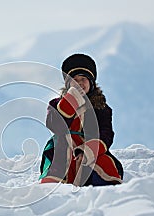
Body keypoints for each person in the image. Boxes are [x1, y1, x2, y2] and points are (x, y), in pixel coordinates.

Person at [39, 53, 123, 186]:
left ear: (91, 82)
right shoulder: (56, 104)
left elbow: (106, 134)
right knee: (57, 171)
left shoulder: (101, 108)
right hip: (62, 147)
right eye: (74, 79)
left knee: (102, 167)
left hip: (91, 148)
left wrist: (86, 150)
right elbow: (54, 125)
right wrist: (70, 101)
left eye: (83, 78)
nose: (79, 83)